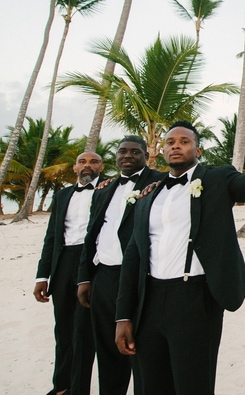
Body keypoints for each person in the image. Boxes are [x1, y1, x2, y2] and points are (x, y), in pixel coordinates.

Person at [114, 121, 245, 394]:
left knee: (193, 383)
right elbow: (133, 255)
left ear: (198, 149)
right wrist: (123, 316)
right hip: (147, 301)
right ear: (162, 150)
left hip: (194, 299)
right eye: (170, 142)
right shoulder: (149, 195)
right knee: (149, 384)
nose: (176, 145)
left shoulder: (216, 179)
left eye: (184, 141)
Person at [77, 136, 165, 395]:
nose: (127, 156)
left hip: (140, 278)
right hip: (104, 277)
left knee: (141, 349)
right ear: (115, 156)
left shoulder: (159, 182)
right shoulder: (104, 189)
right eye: (122, 151)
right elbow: (91, 234)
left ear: (146, 155)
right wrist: (84, 277)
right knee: (107, 349)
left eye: (135, 152)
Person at [34, 152, 104, 395]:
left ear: (101, 167)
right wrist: (42, 276)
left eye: (93, 162)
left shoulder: (107, 190)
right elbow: (52, 237)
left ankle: (78, 389)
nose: (88, 166)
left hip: (92, 263)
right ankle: (61, 386)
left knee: (84, 332)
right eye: (83, 162)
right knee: (63, 329)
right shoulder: (63, 194)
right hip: (63, 264)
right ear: (75, 167)